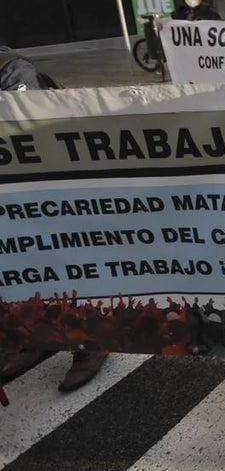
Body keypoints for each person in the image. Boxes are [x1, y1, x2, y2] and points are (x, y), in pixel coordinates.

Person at [0, 51, 109, 391]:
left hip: (37, 189)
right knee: (20, 271)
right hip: (9, 195)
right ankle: (37, 339)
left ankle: (89, 341)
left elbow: (25, 124)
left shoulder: (13, 69)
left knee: (60, 264)